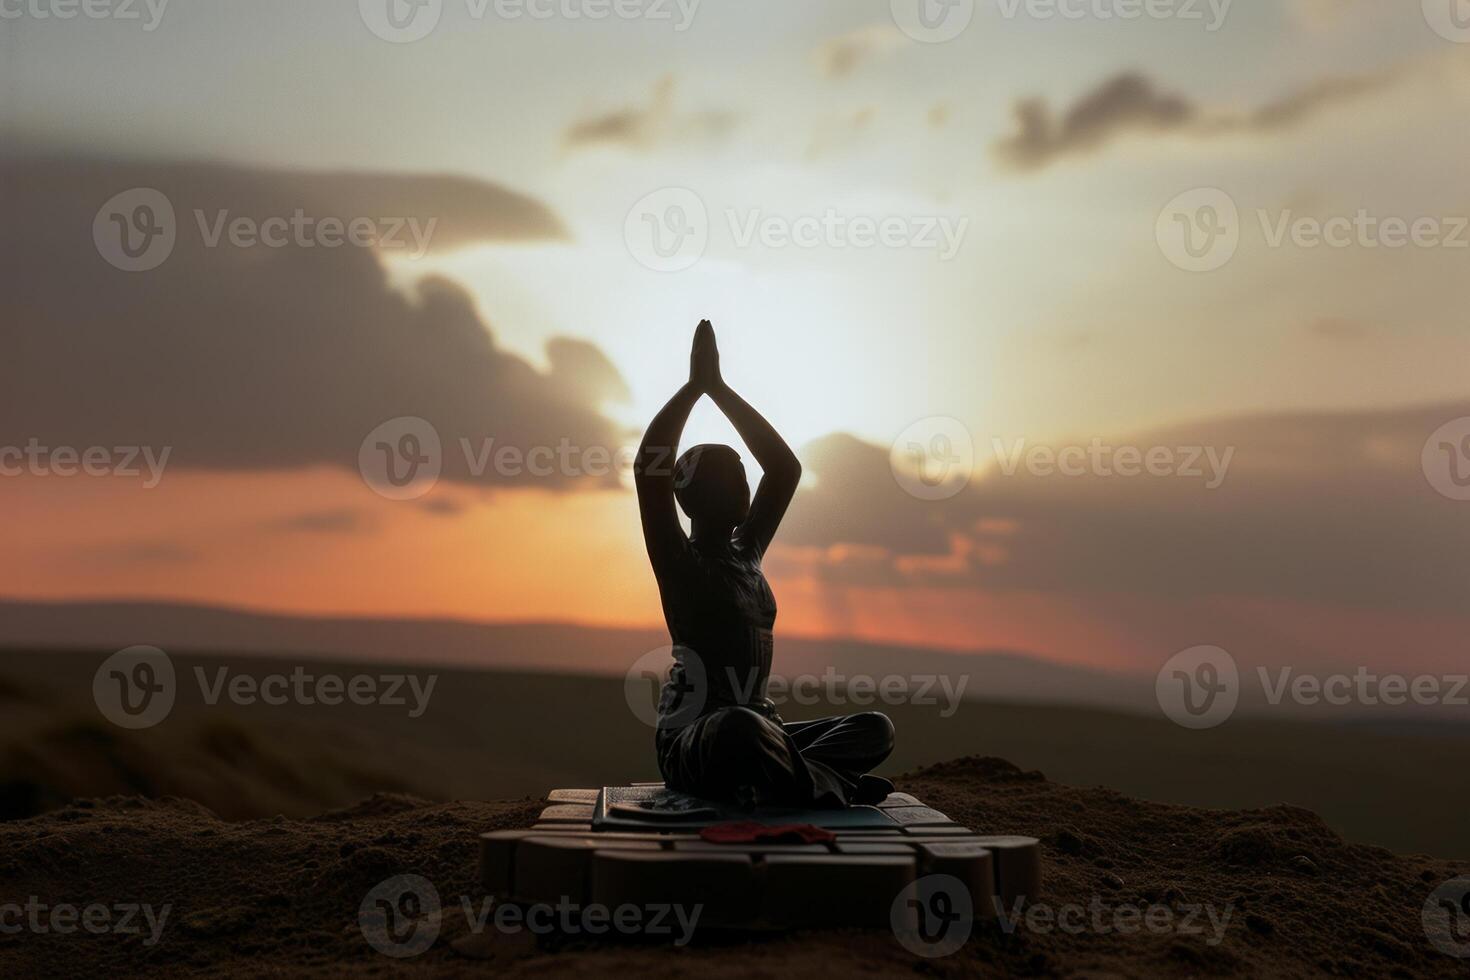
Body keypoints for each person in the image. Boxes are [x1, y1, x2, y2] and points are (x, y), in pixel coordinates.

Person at [634, 320, 895, 808]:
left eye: (741, 476)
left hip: (765, 728)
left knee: (874, 728)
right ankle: (823, 784)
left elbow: (784, 469)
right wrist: (693, 390)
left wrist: (722, 390)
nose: (743, 487)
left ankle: (806, 780)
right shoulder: (681, 563)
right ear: (694, 497)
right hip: (699, 739)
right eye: (729, 479)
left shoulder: (748, 552)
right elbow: (649, 469)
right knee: (738, 727)